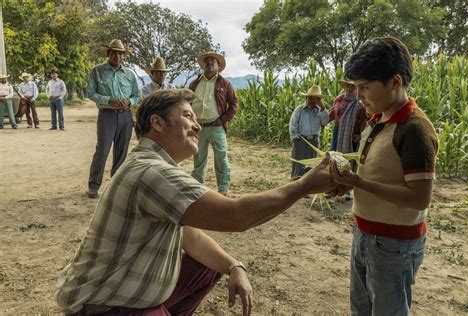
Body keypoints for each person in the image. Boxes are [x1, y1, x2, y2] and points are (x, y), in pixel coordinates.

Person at [55, 89, 337, 316]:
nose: (197, 125)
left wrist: (233, 266)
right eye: (188, 116)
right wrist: (304, 186)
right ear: (157, 122)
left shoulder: (150, 164)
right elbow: (235, 216)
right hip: (107, 307)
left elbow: (189, 236)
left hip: (122, 296)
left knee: (207, 266)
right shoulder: (152, 172)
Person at [329, 37, 438, 315]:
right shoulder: (377, 119)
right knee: (362, 309)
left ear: (395, 82)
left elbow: (419, 198)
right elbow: (380, 174)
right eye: (356, 88)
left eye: (365, 87)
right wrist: (349, 185)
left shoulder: (414, 130)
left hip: (394, 246)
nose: (359, 95)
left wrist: (358, 183)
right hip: (365, 234)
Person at [86, 39, 141, 198]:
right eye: (114, 53)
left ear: (124, 56)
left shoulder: (129, 74)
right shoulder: (97, 71)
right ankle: (93, 186)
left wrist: (129, 101)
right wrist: (108, 100)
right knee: (102, 150)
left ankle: (115, 187)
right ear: (108, 54)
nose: (117, 56)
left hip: (125, 115)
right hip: (106, 115)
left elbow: (137, 95)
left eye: (120, 53)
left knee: (121, 152)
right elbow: (91, 93)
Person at [189, 51, 238, 196]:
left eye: (213, 61)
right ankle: (197, 187)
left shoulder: (225, 84)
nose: (209, 63)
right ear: (203, 65)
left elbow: (234, 104)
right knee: (198, 158)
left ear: (218, 66)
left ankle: (223, 189)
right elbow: (186, 102)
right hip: (199, 127)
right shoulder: (195, 83)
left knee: (221, 157)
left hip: (217, 126)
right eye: (207, 61)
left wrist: (222, 120)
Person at [328, 80, 366, 200]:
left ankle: (348, 190)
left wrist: (360, 135)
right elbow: (332, 114)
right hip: (338, 133)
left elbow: (364, 120)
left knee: (350, 161)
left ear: (356, 88)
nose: (349, 88)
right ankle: (331, 186)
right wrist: (322, 121)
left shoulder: (361, 103)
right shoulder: (339, 99)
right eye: (348, 85)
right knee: (333, 158)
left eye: (352, 86)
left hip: (352, 136)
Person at [289, 85, 329, 180]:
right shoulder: (299, 110)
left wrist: (323, 108)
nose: (312, 100)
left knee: (312, 162)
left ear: (319, 100)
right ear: (306, 98)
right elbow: (293, 123)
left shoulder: (320, 111)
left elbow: (325, 122)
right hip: (301, 139)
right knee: (299, 162)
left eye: (315, 99)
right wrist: (295, 137)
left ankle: (307, 186)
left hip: (314, 140)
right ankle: (296, 183)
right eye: (310, 98)